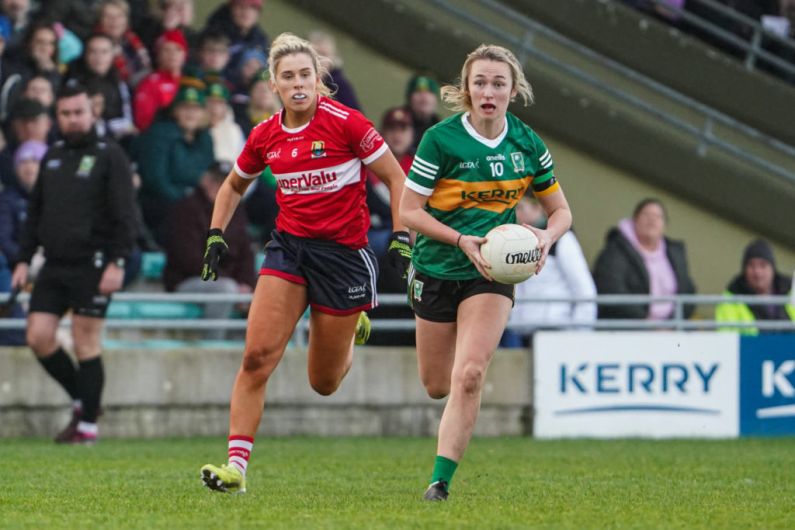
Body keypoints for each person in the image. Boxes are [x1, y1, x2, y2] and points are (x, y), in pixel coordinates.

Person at [198, 32, 409, 494]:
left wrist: (402, 236)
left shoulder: (348, 123)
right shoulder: (266, 134)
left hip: (344, 259)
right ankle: (236, 468)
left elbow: (396, 179)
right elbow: (233, 186)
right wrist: (216, 232)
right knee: (256, 358)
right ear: (274, 85)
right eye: (288, 77)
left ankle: (349, 326)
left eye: (305, 75)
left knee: (324, 382)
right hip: (289, 250)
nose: (298, 84)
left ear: (319, 80)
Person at [399, 44, 572, 501]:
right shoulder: (440, 139)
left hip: (491, 272)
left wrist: (544, 239)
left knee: (470, 373)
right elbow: (408, 211)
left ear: (513, 90)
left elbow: (561, 213)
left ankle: (439, 482)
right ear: (466, 88)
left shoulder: (528, 143)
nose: (489, 91)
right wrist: (459, 239)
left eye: (498, 83)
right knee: (437, 384)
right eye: (480, 82)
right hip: (437, 265)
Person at [10, 84, 136, 444]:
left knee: (85, 341)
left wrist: (117, 261)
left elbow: (125, 214)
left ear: (92, 112)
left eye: (78, 112)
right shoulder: (52, 155)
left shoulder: (111, 156)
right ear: (57, 117)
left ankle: (88, 429)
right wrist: (22, 259)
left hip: (94, 264)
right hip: (54, 264)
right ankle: (84, 400)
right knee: (38, 337)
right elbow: (35, 214)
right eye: (65, 114)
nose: (72, 119)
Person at [163, 160, 255, 339]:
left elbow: (247, 252)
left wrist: (246, 284)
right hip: (188, 280)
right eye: (218, 181)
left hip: (229, 281)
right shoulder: (186, 209)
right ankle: (213, 346)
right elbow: (188, 258)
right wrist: (234, 284)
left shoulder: (236, 210)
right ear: (205, 180)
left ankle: (256, 352)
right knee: (225, 290)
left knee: (270, 288)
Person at [501, 196, 596, 347]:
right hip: (520, 332)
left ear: (537, 208)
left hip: (555, 331)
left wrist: (580, 336)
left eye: (520, 208)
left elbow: (583, 288)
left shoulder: (562, 239)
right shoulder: (512, 241)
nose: (516, 214)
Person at [133, 82, 214, 244]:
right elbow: (155, 179)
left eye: (196, 108)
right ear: (174, 110)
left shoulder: (205, 138)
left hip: (192, 202)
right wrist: (183, 200)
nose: (190, 113)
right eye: (185, 107)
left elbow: (209, 175)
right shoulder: (159, 134)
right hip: (160, 203)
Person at [592, 198, 696, 321]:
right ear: (634, 220)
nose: (652, 220)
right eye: (646, 215)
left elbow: (688, 293)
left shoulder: (675, 254)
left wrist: (671, 324)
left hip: (670, 331)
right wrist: (647, 323)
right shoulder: (615, 252)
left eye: (658, 216)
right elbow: (611, 291)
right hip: (630, 330)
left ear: (665, 226)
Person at [0, 139, 47, 345]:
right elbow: (4, 238)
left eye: (36, 161)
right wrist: (27, 259)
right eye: (24, 161)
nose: (29, 166)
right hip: (16, 270)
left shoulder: (61, 199)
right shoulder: (8, 200)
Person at [716, 239, 795, 334]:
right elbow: (727, 338)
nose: (757, 272)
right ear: (744, 270)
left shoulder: (791, 290)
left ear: (773, 268)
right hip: (750, 348)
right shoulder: (731, 299)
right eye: (751, 266)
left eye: (763, 265)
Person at [405, 74, 441, 150]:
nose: (424, 95)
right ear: (409, 98)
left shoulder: (442, 129)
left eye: (430, 91)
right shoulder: (396, 122)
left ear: (436, 100)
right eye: (418, 91)